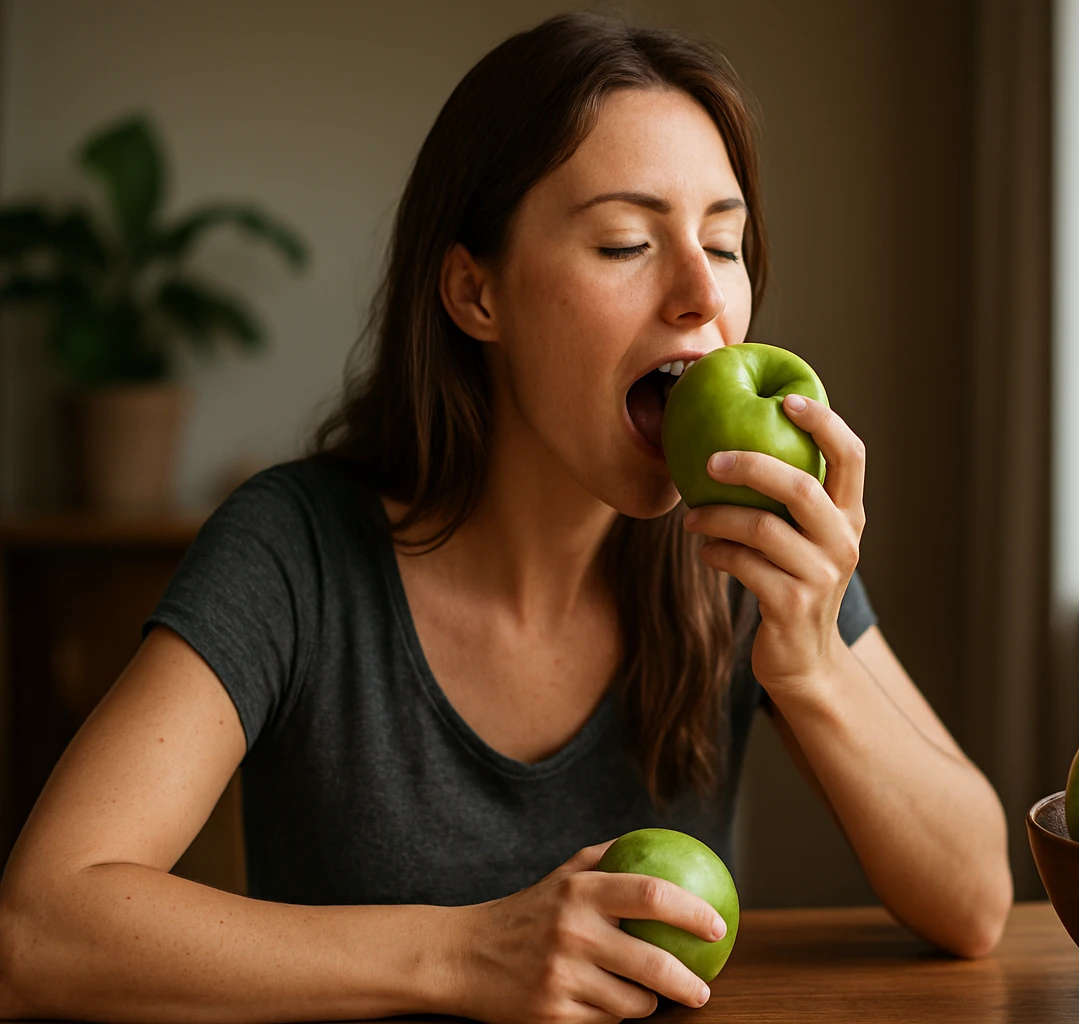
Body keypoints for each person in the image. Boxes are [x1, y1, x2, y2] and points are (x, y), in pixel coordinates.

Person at [0, 13, 1011, 1023]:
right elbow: (41, 928)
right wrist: (464, 951)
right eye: (626, 241)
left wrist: (814, 669)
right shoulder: (292, 550)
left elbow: (973, 901)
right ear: (475, 291)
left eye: (724, 242)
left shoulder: (745, 546)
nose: (703, 295)